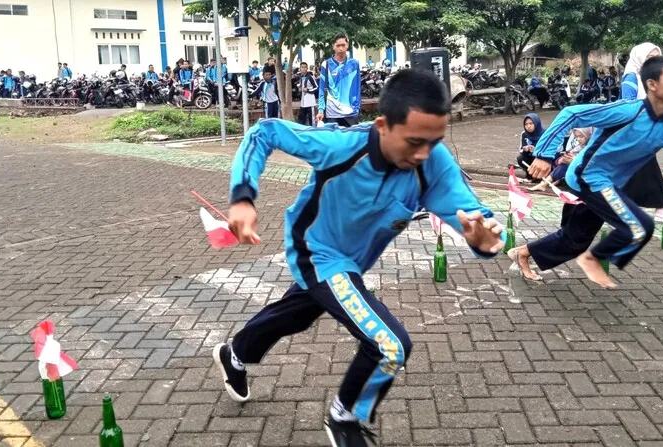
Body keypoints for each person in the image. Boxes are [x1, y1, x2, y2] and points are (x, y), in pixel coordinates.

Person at [215, 69, 505, 447]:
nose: (423, 155)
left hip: (351, 263)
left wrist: (483, 239)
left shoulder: (432, 162)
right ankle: (346, 416)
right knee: (389, 345)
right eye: (415, 142)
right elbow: (264, 132)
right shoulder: (341, 147)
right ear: (383, 125)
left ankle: (235, 352)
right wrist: (242, 197)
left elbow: (471, 213)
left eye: (434, 143)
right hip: (315, 250)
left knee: (298, 315)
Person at [512, 56, 663, 288]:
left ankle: (523, 252)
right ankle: (593, 261)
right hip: (587, 177)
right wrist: (544, 155)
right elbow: (571, 114)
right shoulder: (628, 111)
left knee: (577, 239)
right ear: (652, 85)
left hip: (613, 184)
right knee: (639, 225)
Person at [620, 42, 663, 223]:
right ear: (639, 58)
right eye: (650, 58)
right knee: (646, 166)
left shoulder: (648, 79)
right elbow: (628, 105)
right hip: (634, 130)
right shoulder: (631, 78)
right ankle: (661, 207)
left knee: (631, 172)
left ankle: (618, 209)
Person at [528, 128, 594, 191]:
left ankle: (552, 182)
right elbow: (571, 156)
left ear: (588, 135)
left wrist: (574, 161)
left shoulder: (594, 147)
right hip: (579, 173)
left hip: (591, 175)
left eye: (581, 136)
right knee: (564, 163)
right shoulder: (579, 147)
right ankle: (544, 184)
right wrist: (564, 159)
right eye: (576, 137)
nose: (578, 139)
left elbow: (592, 164)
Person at [317, 33, 362, 127]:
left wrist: (357, 108)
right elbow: (321, 90)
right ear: (333, 46)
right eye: (338, 45)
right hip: (332, 113)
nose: (341, 48)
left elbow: (357, 88)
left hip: (350, 112)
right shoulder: (326, 64)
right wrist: (321, 110)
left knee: (351, 141)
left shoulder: (354, 64)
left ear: (347, 46)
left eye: (343, 45)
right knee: (333, 141)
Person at [516, 113, 544, 181]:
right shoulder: (524, 134)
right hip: (529, 156)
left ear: (536, 123)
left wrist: (535, 149)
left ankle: (540, 176)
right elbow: (521, 149)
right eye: (526, 124)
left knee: (537, 157)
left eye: (531, 123)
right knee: (520, 158)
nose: (528, 126)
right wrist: (525, 149)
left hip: (541, 157)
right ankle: (529, 174)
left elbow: (547, 150)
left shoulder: (544, 134)